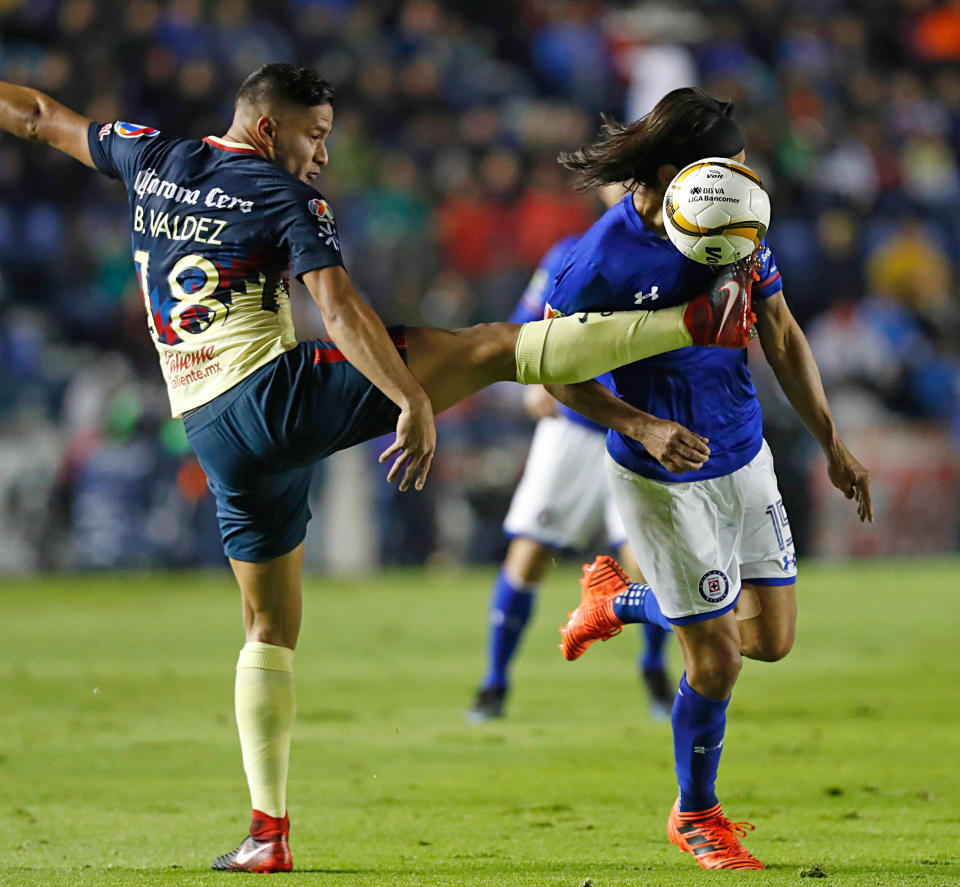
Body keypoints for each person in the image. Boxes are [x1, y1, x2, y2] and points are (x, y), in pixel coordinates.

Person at [0, 66, 754, 873]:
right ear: (266, 128)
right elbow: (340, 306)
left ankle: (267, 833)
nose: (323, 152)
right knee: (493, 347)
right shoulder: (282, 193)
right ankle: (691, 319)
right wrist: (409, 398)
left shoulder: (148, 156)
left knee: (267, 630)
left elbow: (40, 116)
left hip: (212, 428)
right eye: (315, 134)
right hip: (272, 396)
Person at [549, 88, 872, 871]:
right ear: (669, 173)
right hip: (661, 477)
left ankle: (619, 599)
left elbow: (782, 331)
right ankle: (696, 813)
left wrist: (831, 438)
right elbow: (554, 372)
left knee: (771, 638)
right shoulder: (599, 260)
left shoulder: (733, 220)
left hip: (744, 451)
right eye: (725, 164)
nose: (740, 176)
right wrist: (642, 425)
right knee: (717, 659)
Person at [467, 218, 708, 723]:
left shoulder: (686, 258)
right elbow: (527, 323)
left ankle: (653, 671)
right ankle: (493, 684)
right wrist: (533, 380)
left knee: (650, 563)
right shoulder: (572, 253)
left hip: (648, 427)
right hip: (574, 427)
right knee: (530, 551)